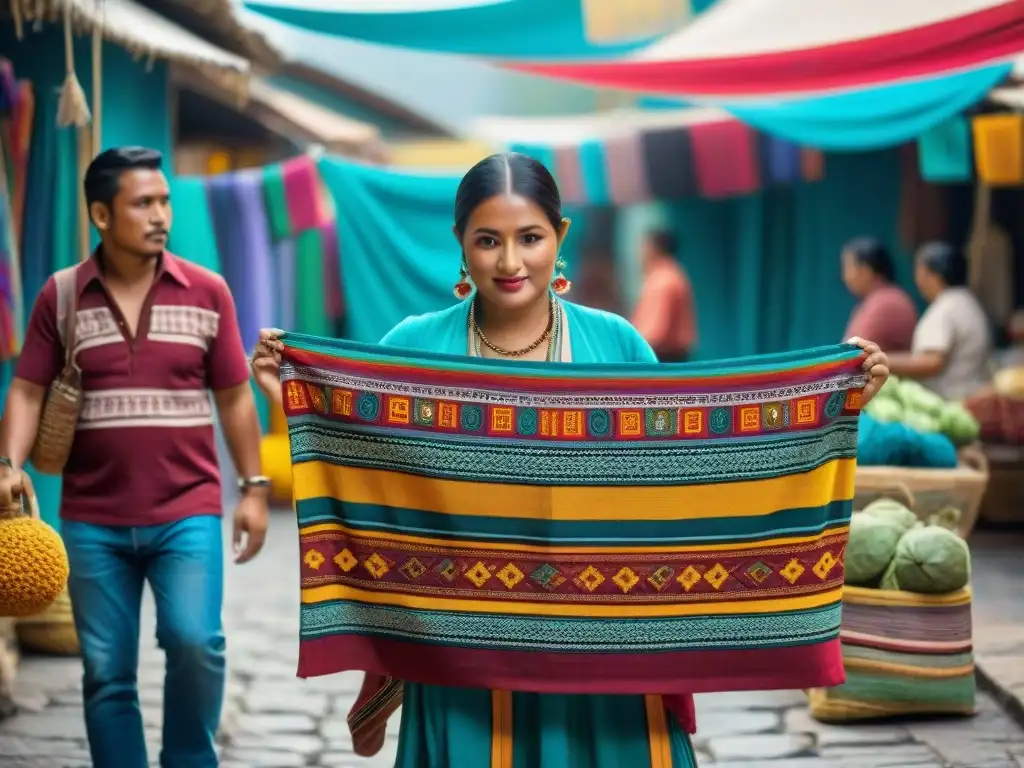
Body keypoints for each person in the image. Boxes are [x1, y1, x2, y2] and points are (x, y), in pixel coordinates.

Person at [251, 152, 891, 767]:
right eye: (487, 240)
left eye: (529, 237)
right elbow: (366, 464)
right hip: (463, 659)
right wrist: (299, 400)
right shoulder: (414, 347)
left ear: (559, 235)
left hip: (608, 659)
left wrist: (834, 403)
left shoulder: (615, 344)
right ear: (460, 242)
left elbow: (689, 472)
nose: (509, 261)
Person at [0, 147, 269, 768]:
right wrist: (9, 465)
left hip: (188, 511)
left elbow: (233, 398)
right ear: (101, 213)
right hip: (93, 517)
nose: (160, 215)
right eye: (142, 203)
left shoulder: (208, 292)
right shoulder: (61, 296)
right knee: (106, 670)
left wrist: (254, 488)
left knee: (196, 641)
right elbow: (26, 389)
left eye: (165, 201)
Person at [887, 241, 991, 400]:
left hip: (952, 403)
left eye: (919, 271)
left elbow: (932, 362)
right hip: (972, 397)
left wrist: (878, 360)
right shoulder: (967, 301)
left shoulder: (945, 308)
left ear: (931, 274)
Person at [840, 237, 918, 352]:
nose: (844, 277)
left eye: (847, 268)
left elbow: (856, 353)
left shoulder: (886, 303)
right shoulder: (876, 300)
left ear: (865, 270)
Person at [630, 229, 696, 362]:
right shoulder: (674, 273)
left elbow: (656, 332)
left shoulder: (663, 280)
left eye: (644, 247)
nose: (640, 253)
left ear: (654, 249)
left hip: (662, 358)